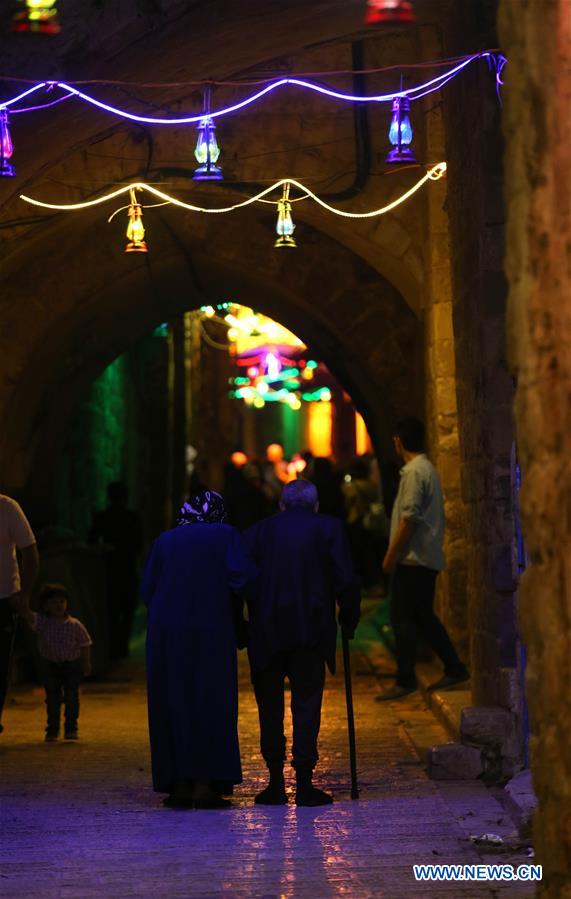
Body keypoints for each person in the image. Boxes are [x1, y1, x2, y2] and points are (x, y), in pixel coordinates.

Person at [244, 479, 360, 807]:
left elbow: (241, 580)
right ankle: (305, 782)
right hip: (311, 630)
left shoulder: (257, 532)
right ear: (316, 504)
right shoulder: (329, 528)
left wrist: (241, 626)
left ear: (281, 505)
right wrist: (349, 617)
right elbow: (345, 579)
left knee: (269, 705)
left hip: (266, 631)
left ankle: (275, 781)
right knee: (307, 703)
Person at [142, 490, 257, 809]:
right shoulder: (226, 535)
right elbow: (244, 579)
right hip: (211, 630)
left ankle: (179, 784)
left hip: (166, 634)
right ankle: (206, 785)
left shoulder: (165, 540)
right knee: (211, 701)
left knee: (172, 701)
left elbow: (148, 588)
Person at [377, 417, 469, 701]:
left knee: (403, 618)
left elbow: (409, 519)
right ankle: (452, 667)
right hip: (420, 558)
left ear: (398, 442)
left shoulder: (415, 472)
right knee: (421, 616)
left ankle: (407, 678)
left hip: (413, 559)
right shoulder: (423, 469)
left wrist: (392, 555)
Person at [25, 583, 92, 741]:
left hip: (71, 665)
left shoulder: (75, 625)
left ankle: (71, 728)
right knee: (52, 699)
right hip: (50, 665)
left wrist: (86, 663)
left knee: (71, 697)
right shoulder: (42, 622)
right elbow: (27, 614)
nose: (59, 605)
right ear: (46, 606)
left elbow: (85, 644)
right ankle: (52, 730)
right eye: (54, 602)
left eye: (62, 601)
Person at [89, 481, 142, 661]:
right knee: (127, 609)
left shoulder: (104, 517)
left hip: (110, 568)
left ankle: (113, 646)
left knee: (111, 609)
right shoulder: (133, 517)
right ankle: (121, 646)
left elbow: (92, 540)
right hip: (127, 567)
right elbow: (139, 544)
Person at [0, 494, 39, 733]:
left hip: (3, 598)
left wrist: (24, 595)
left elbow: (30, 553)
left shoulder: (7, 508)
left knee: (1, 662)